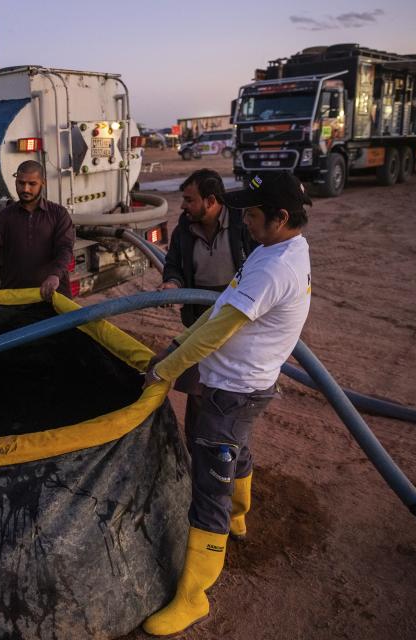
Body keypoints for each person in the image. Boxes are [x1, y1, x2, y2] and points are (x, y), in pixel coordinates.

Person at [142, 172, 312, 636]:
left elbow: (220, 329)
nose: (246, 220)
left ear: (280, 218)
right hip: (246, 386)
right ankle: (239, 520)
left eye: (254, 214)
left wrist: (166, 368)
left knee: (210, 479)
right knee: (237, 450)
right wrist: (177, 341)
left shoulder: (276, 266)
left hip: (234, 388)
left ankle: (193, 596)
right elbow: (216, 313)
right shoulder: (276, 249)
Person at [158, 169, 258, 541]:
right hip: (199, 321)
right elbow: (173, 263)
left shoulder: (245, 225)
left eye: (189, 200)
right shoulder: (185, 228)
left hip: (237, 328)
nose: (183, 206)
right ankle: (201, 479)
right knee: (200, 412)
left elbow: (255, 275)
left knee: (231, 420)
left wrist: (162, 367)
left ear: (212, 202)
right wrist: (173, 282)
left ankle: (232, 513)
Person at [0, 160, 75, 304]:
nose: (25, 189)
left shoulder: (58, 214)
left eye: (32, 184)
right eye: (21, 183)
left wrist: (54, 275)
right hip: (15, 299)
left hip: (53, 297)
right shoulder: (4, 217)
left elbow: (65, 249)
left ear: (42, 183)